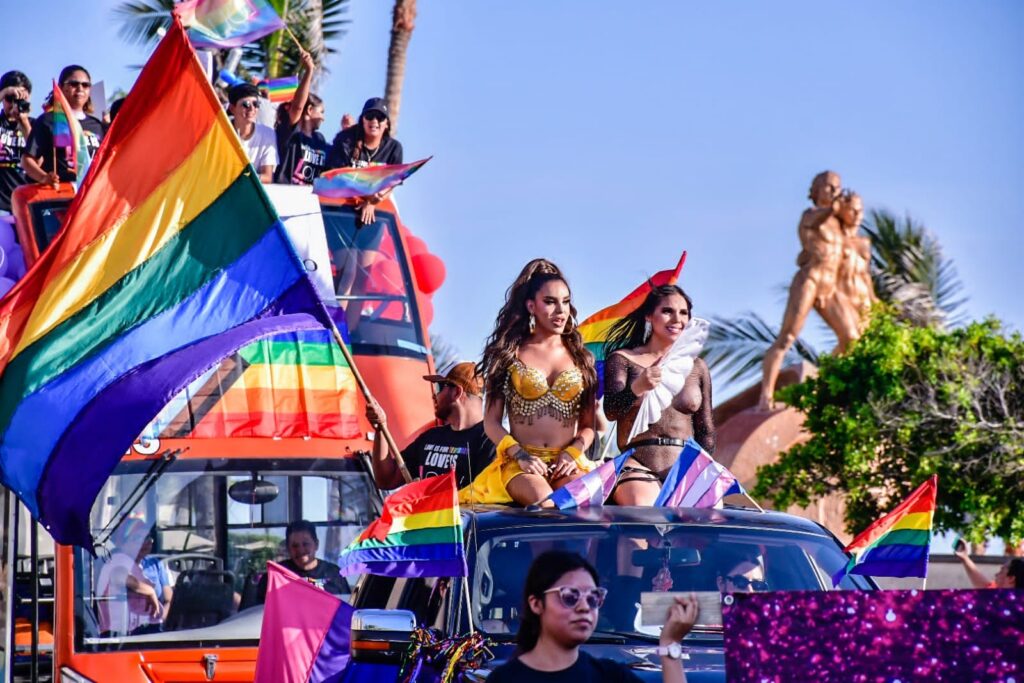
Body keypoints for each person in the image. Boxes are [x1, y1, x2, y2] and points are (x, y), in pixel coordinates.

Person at [464, 259, 598, 507]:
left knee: (583, 503)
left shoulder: (582, 358)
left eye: (565, 301)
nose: (560, 310)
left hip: (566, 463)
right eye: (550, 302)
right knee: (545, 505)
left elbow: (588, 427)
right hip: (521, 463)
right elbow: (491, 423)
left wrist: (572, 453)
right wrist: (521, 455)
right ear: (530, 306)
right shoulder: (507, 354)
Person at [486, 550, 697, 683]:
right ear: (536, 604)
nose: (584, 607)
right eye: (570, 596)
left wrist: (670, 644)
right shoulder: (504, 679)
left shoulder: (610, 676)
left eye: (593, 597)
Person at [602, 285, 715, 505]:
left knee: (708, 517)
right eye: (667, 311)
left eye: (683, 313)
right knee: (643, 510)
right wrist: (637, 387)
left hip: (685, 465)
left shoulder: (698, 367)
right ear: (648, 316)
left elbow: (706, 429)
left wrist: (705, 469)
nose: (677, 319)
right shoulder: (623, 359)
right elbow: (611, 411)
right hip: (638, 463)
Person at [759, 170, 845, 410]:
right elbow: (814, 222)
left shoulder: (839, 224)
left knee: (850, 338)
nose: (834, 191)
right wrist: (833, 210)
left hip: (831, 285)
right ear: (816, 191)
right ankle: (766, 394)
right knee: (787, 337)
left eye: (837, 186)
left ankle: (822, 382)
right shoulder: (811, 215)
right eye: (828, 187)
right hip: (811, 279)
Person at [365, 361, 496, 490]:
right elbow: (386, 480)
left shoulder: (492, 442)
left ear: (456, 392)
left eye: (438, 387)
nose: (434, 395)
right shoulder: (430, 437)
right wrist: (381, 429)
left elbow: (487, 502)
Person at [22, 65, 104, 185]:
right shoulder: (47, 121)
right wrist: (44, 177)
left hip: (91, 195)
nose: (80, 88)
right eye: (74, 84)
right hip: (60, 197)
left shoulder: (97, 125)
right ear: (61, 87)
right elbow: (27, 160)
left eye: (85, 85)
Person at [326, 97, 403, 225]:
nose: (374, 121)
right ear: (362, 120)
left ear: (387, 124)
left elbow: (392, 183)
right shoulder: (345, 141)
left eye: (380, 117)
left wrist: (373, 202)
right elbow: (335, 177)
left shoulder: (394, 149)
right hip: (338, 210)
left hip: (373, 218)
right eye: (370, 116)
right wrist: (368, 198)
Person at [96, 518, 165, 635]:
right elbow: (118, 576)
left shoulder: (134, 563)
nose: (146, 542)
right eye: (139, 539)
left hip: (141, 631)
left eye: (148, 538)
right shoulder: (118, 559)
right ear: (123, 542)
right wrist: (149, 591)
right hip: (123, 635)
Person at [256, 520, 349, 602]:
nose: (300, 550)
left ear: (316, 544)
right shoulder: (274, 576)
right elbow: (257, 613)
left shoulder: (335, 574)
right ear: (288, 548)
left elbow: (349, 608)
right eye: (295, 546)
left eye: (305, 544)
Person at [273, 50, 328, 185]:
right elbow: (297, 107)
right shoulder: (291, 130)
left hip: (308, 201)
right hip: (285, 195)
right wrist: (309, 71)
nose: (323, 118)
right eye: (321, 112)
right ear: (309, 110)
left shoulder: (320, 140)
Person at [227, 83, 277, 183]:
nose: (252, 109)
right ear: (232, 108)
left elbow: (267, 177)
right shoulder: (221, 131)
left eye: (256, 104)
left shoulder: (268, 134)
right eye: (246, 104)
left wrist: (244, 177)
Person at [0, 71, 32, 212]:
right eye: (9, 98)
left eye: (20, 98)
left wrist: (24, 122)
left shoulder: (36, 125)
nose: (14, 103)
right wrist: (3, 92)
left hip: (28, 205)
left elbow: (39, 159)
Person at [954, 543, 1023, 589]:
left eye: (1001, 571)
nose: (996, 574)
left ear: (1011, 578)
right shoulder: (993, 596)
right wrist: (964, 558)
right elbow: (984, 586)